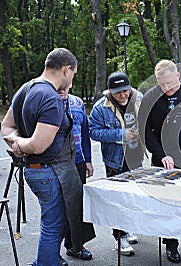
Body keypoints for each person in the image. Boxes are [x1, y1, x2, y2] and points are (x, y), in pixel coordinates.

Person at [1, 48, 95, 266]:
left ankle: (49, 259)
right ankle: (44, 263)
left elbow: (6, 127)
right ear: (66, 69)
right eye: (73, 74)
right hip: (50, 172)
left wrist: (16, 142)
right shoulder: (50, 98)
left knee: (54, 221)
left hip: (37, 171)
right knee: (53, 224)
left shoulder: (25, 89)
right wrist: (22, 145)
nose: (72, 80)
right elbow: (38, 144)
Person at [138, 59, 181, 263]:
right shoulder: (151, 97)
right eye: (162, 85)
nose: (167, 88)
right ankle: (171, 243)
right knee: (168, 203)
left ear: (178, 75)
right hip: (164, 159)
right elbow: (146, 131)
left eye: (170, 83)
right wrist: (160, 154)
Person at [89, 72, 144, 256]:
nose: (123, 95)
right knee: (117, 200)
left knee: (133, 197)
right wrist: (120, 134)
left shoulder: (139, 99)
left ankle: (129, 228)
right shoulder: (100, 108)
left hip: (136, 158)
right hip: (115, 161)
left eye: (125, 91)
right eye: (118, 92)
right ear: (110, 91)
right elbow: (94, 132)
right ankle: (119, 236)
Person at [58, 83, 94, 260]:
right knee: (59, 207)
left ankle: (76, 245)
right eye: (59, 87)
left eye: (65, 87)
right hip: (58, 163)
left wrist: (88, 160)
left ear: (71, 84)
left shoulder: (78, 103)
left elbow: (85, 134)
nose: (62, 90)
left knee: (78, 205)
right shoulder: (48, 103)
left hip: (78, 161)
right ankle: (52, 252)